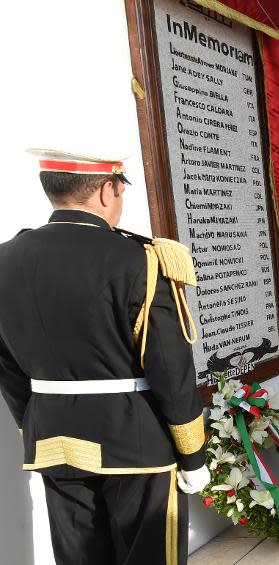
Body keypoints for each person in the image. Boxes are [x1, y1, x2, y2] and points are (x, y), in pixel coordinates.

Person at [0, 149, 209, 564]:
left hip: (52, 439)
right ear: (107, 189)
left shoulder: (5, 260)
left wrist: (35, 421)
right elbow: (170, 368)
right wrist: (192, 456)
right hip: (136, 443)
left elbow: (7, 367)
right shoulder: (140, 260)